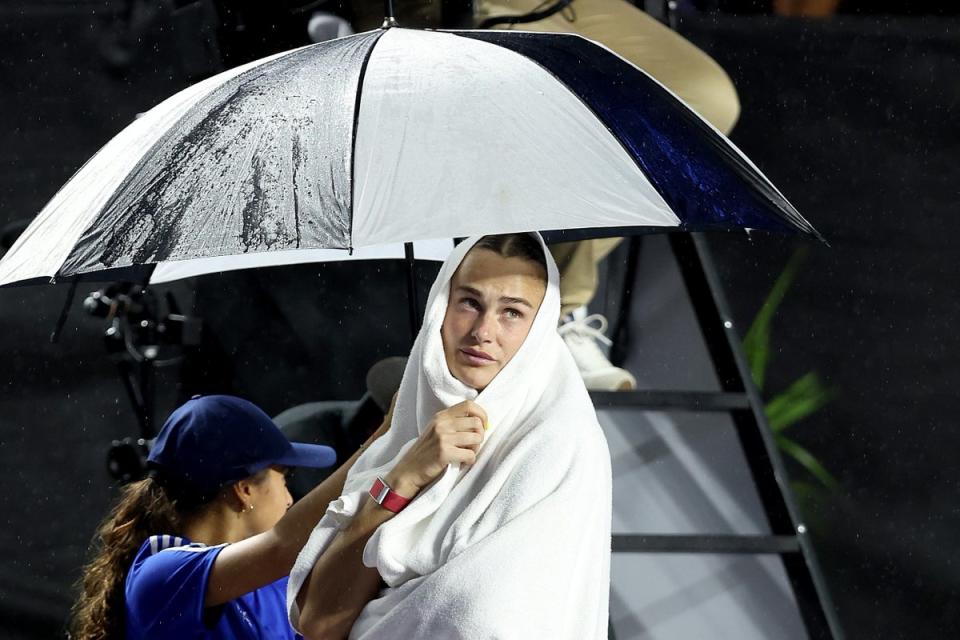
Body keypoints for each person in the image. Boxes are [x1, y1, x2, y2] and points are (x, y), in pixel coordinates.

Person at [289, 233, 612, 639]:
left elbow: (480, 622)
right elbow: (319, 622)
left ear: (541, 327)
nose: (483, 331)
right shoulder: (409, 431)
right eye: (470, 303)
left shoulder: (561, 443)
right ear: (439, 305)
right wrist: (402, 477)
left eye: (512, 312)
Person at [69, 394, 393, 639]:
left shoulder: (272, 581)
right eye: (284, 478)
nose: (290, 499)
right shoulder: (161, 571)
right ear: (244, 489)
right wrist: (386, 441)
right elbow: (281, 545)